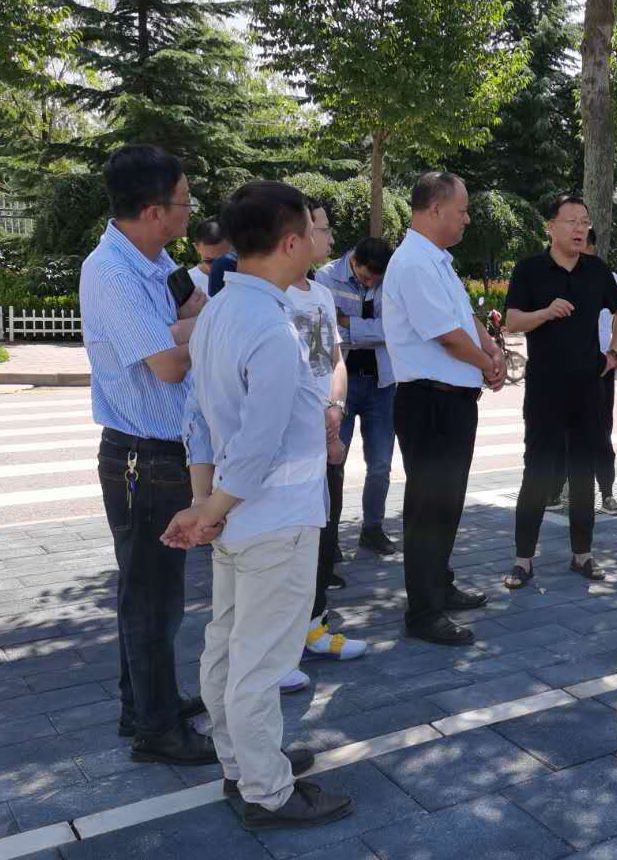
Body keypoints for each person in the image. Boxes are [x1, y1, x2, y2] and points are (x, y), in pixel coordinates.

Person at [164, 180, 353, 827]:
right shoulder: (271, 327)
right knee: (261, 661)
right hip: (276, 518)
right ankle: (267, 791)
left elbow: (198, 422)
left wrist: (205, 502)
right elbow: (259, 443)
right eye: (313, 231)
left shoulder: (218, 313)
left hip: (239, 517)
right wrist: (211, 507)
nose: (320, 243)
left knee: (226, 647)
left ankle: (243, 763)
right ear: (291, 241)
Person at [79, 143, 214, 766]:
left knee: (155, 593)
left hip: (164, 451)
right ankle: (157, 730)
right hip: (141, 455)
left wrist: (183, 327)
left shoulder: (155, 264)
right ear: (155, 210)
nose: (191, 211)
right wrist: (195, 330)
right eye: (184, 201)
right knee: (151, 598)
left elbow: (185, 324)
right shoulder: (111, 272)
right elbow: (167, 365)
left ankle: (145, 704)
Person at [383, 171, 498, 645]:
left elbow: (465, 319)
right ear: (435, 209)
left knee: (447, 503)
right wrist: (489, 363)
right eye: (461, 210)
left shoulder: (438, 261)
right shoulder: (413, 262)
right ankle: (423, 611)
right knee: (428, 508)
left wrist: (490, 350)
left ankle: (440, 584)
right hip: (429, 401)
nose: (467, 219)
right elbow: (447, 336)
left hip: (452, 400)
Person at [502, 193, 617, 589]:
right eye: (572, 221)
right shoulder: (530, 269)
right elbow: (512, 321)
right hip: (545, 388)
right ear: (551, 227)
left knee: (582, 472)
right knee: (537, 471)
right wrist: (545, 312)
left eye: (584, 222)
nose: (580, 229)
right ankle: (523, 560)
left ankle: (583, 554)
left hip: (588, 388)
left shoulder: (597, 270)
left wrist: (614, 353)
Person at [277, 198, 369, 695]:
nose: (331, 239)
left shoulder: (319, 294)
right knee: (283, 547)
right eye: (323, 229)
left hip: (324, 434)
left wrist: (335, 410)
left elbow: (333, 359)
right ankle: (276, 650)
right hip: (288, 442)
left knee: (320, 536)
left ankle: (313, 627)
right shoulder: (267, 298)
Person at [546, 228, 617, 514]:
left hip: (597, 368)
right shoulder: (550, 275)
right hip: (561, 369)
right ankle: (556, 492)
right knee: (561, 429)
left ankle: (605, 494)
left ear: (590, 248)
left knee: (598, 431)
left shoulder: (605, 277)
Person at [315, 237, 399, 558]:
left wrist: (348, 322)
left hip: (382, 383)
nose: (370, 284)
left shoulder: (391, 280)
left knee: (380, 464)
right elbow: (327, 334)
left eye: (376, 280)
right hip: (341, 386)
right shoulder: (326, 278)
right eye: (365, 278)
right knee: (333, 462)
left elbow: (394, 328)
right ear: (353, 261)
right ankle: (329, 538)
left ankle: (373, 528)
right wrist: (369, 330)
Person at [188, 218, 230, 293]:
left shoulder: (244, 277)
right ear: (197, 248)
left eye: (223, 260)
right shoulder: (189, 282)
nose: (216, 266)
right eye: (209, 261)